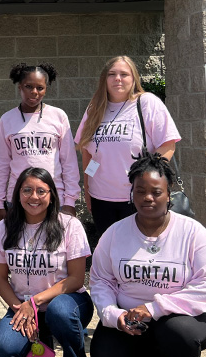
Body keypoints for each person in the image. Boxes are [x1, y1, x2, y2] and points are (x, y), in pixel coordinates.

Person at [89, 150, 206, 357]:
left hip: (186, 318)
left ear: (169, 192)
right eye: (140, 191)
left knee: (176, 333)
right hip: (133, 319)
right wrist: (113, 315)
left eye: (156, 191)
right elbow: (101, 280)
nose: (147, 198)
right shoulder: (115, 234)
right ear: (131, 192)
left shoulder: (192, 232)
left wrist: (154, 309)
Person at [0, 167, 92, 357]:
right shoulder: (3, 228)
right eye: (27, 190)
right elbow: (0, 279)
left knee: (59, 311)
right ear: (18, 194)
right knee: (4, 347)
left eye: (41, 191)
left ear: (52, 194)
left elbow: (76, 279)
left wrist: (33, 303)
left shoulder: (69, 225)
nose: (33, 197)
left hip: (68, 303)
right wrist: (20, 308)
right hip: (24, 305)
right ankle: (41, 342)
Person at [75, 56, 181, 238]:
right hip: (101, 198)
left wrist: (147, 176)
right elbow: (90, 153)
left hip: (138, 197)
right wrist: (87, 188)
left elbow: (168, 144)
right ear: (104, 79)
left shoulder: (146, 103)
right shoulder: (95, 108)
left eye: (124, 74)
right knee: (111, 252)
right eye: (112, 74)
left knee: (140, 252)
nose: (118, 78)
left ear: (134, 79)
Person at [0, 63, 80, 222]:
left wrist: (70, 200)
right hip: (18, 200)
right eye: (28, 86)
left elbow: (69, 162)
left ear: (46, 89)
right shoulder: (7, 119)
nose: (34, 92)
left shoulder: (58, 116)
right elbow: (1, 165)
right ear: (20, 87)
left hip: (53, 198)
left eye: (40, 88)